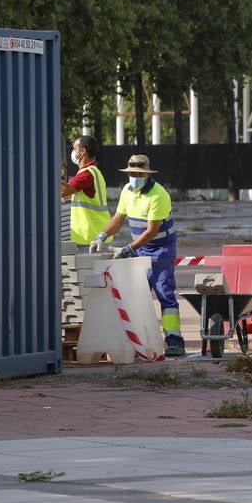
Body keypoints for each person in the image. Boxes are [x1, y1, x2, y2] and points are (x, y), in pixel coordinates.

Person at [89, 153, 186, 358]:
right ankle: (138, 341)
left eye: (138, 173)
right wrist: (102, 235)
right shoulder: (128, 190)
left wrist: (128, 249)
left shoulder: (158, 195)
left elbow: (151, 231)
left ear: (147, 174)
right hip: (140, 248)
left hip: (161, 249)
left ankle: (175, 341)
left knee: (164, 294)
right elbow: (118, 217)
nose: (134, 177)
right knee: (137, 295)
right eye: (131, 173)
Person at [60, 135, 111, 246]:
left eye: (74, 148)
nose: (72, 152)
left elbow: (64, 190)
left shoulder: (86, 174)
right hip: (98, 235)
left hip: (90, 237)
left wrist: (48, 170)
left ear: (82, 151)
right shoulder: (93, 171)